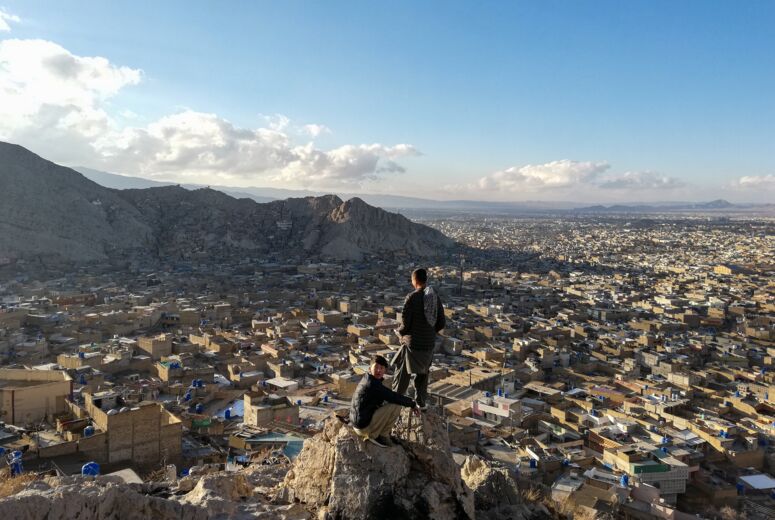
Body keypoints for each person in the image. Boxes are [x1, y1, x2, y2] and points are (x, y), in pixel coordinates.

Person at [392, 268, 445, 409]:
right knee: (423, 374)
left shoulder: (412, 297)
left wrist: (399, 332)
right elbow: (441, 322)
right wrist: (430, 332)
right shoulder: (435, 297)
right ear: (425, 280)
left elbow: (406, 324)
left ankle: (396, 399)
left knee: (402, 370)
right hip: (428, 346)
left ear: (414, 280)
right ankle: (421, 402)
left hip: (412, 346)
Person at [350, 354, 419, 448]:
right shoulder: (372, 384)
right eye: (376, 367)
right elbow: (393, 397)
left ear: (385, 370)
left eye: (381, 368)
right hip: (363, 428)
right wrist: (412, 404)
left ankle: (380, 433)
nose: (379, 370)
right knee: (396, 405)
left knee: (389, 403)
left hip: (358, 424)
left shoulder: (367, 380)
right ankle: (381, 436)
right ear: (370, 368)